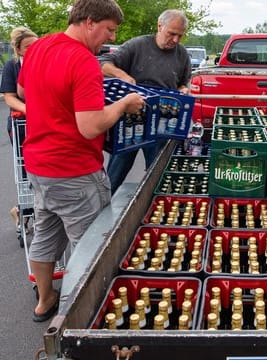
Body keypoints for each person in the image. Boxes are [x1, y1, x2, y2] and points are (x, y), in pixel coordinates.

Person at [17, 0, 145, 322]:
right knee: (91, 247)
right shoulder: (84, 61)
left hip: (38, 164)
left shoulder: (39, 47)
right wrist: (123, 105)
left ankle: (44, 301)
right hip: (74, 170)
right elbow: (90, 126)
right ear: (90, 22)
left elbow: (23, 89)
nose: (112, 39)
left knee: (45, 235)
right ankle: (83, 319)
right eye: (109, 30)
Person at [100, 9, 192, 195]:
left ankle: (154, 213)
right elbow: (103, 62)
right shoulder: (138, 45)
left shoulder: (182, 54)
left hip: (162, 120)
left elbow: (183, 82)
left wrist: (183, 89)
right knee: (116, 172)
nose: (175, 40)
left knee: (158, 175)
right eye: (171, 34)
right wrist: (122, 75)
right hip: (131, 119)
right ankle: (101, 212)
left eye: (179, 36)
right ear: (160, 26)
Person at [0, 26, 38, 229]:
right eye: (28, 46)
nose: (33, 49)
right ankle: (24, 208)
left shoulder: (45, 63)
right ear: (19, 49)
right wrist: (30, 110)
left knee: (43, 168)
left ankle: (32, 208)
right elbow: (9, 97)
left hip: (43, 123)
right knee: (26, 169)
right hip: (21, 123)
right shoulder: (12, 66)